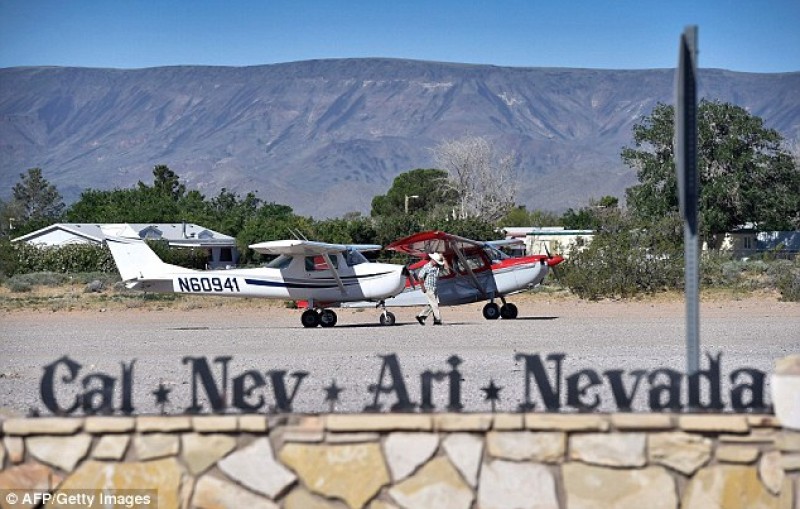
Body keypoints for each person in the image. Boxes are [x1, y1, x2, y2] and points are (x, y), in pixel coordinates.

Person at [416, 252, 447, 325]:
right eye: (436, 261)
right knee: (434, 304)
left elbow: (446, 267)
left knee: (432, 304)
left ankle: (421, 316)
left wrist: (443, 258)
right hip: (428, 288)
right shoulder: (426, 266)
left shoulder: (437, 267)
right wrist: (423, 287)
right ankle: (437, 320)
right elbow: (420, 277)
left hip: (434, 288)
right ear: (432, 260)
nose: (436, 262)